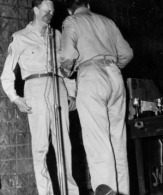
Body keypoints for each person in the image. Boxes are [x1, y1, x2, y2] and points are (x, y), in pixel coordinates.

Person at [0, 0, 79, 195]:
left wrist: (71, 92)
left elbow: (66, 67)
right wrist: (15, 98)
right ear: (35, 10)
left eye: (52, 10)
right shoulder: (19, 37)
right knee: (40, 148)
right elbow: (6, 73)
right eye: (46, 10)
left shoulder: (58, 36)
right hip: (34, 88)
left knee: (64, 146)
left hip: (58, 87)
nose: (50, 14)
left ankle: (70, 192)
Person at [59, 0, 134, 194]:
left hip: (91, 76)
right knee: (118, 142)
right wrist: (111, 66)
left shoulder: (71, 21)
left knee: (98, 144)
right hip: (115, 76)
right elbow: (127, 53)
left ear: (69, 9)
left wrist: (66, 72)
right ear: (88, 4)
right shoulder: (107, 21)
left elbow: (67, 55)